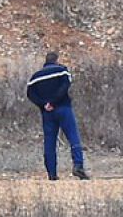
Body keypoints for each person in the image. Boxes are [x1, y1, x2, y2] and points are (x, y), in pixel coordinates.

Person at [25, 51, 88, 181]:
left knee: (50, 142)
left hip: (47, 113)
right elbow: (65, 86)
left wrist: (44, 104)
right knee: (73, 137)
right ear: (56, 60)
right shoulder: (62, 71)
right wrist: (54, 101)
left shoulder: (35, 77)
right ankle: (78, 165)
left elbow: (30, 94)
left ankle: (52, 173)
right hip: (63, 108)